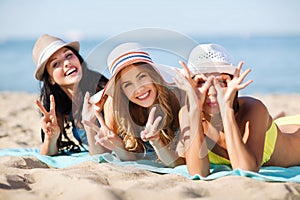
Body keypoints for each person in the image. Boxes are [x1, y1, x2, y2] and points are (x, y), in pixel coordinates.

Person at [174, 43, 300, 177]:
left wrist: (226, 109)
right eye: (201, 82)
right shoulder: (188, 114)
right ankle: (277, 119)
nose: (212, 91)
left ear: (233, 83)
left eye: (221, 81)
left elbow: (246, 170)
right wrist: (195, 110)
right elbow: (198, 173)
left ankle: (275, 120)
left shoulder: (254, 108)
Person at [84, 42, 185, 167]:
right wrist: (117, 146)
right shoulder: (114, 106)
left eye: (142, 77)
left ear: (153, 76)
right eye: (127, 84)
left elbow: (181, 164)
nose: (138, 88)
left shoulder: (176, 99)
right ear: (122, 91)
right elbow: (123, 160)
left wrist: (157, 142)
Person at [32, 34, 108, 156]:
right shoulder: (60, 105)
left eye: (68, 55)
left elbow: (103, 155)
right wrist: (51, 138)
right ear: (51, 79)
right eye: (56, 64)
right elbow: (48, 154)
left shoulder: (103, 94)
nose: (67, 62)